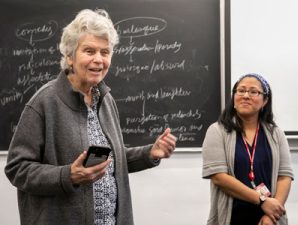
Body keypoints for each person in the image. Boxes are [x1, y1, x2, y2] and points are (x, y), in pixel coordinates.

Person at [5, 9, 177, 225]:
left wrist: (149, 153)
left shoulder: (104, 99)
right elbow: (17, 168)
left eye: (105, 52)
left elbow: (109, 159)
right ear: (69, 56)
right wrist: (68, 175)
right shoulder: (44, 102)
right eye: (89, 51)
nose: (98, 60)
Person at [202, 73, 294, 225]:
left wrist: (273, 215)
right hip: (231, 218)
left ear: (265, 101)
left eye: (253, 92)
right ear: (234, 97)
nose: (245, 95)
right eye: (241, 90)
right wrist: (262, 200)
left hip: (268, 219)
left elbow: (284, 176)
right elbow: (218, 177)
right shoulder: (217, 131)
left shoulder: (276, 133)